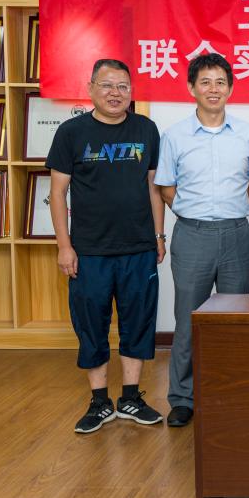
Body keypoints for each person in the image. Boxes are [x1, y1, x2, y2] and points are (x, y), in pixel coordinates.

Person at [47, 59, 166, 433]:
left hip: (139, 247)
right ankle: (99, 402)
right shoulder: (71, 132)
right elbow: (57, 192)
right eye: (107, 85)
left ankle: (130, 398)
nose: (116, 93)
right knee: (91, 324)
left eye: (123, 86)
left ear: (131, 91)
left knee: (138, 321)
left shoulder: (146, 129)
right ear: (91, 89)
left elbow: (154, 188)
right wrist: (64, 246)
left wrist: (158, 236)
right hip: (89, 251)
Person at [154, 53, 249, 428]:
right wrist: (193, 211)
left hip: (236, 235)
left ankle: (227, 392)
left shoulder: (247, 133)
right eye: (205, 82)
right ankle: (183, 398)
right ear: (191, 88)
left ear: (230, 88)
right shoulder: (175, 136)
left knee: (232, 320)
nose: (213, 89)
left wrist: (229, 209)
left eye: (220, 82)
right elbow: (166, 187)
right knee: (188, 320)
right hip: (192, 234)